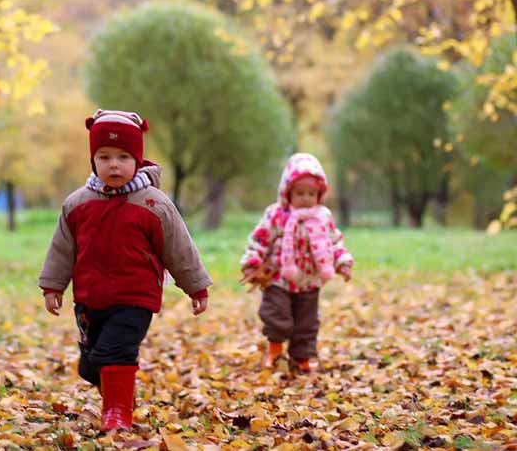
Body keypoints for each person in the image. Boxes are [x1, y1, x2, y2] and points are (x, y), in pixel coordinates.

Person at [39, 109, 212, 431]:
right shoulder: (78, 204)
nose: (114, 165)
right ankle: (118, 394)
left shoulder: (153, 204)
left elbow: (179, 247)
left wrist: (196, 286)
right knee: (91, 365)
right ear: (93, 160)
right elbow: (63, 248)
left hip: (135, 296)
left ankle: (118, 413)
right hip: (90, 296)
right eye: (104, 157)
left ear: (137, 160)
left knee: (116, 351)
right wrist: (53, 286)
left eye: (122, 156)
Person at [239, 153, 352, 372]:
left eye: (311, 193)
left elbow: (334, 242)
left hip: (309, 280)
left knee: (306, 324)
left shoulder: (322, 217)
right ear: (287, 192)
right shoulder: (276, 215)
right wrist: (253, 259)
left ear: (320, 194)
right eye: (300, 193)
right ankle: (275, 350)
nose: (306, 198)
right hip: (278, 278)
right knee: (276, 315)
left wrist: (343, 261)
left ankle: (301, 358)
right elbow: (261, 238)